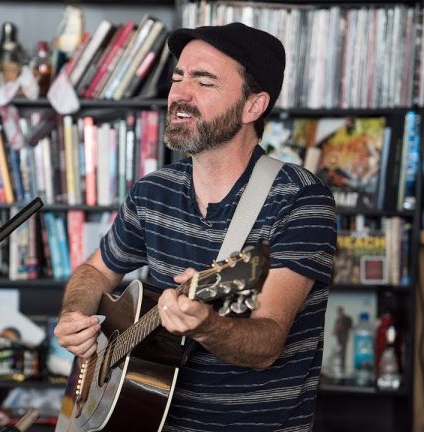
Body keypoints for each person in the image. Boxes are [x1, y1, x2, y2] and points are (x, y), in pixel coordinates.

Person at [54, 22, 337, 431]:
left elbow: (267, 345)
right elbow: (96, 270)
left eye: (203, 82)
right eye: (177, 78)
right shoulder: (153, 193)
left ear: (252, 106)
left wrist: (207, 324)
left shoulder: (300, 199)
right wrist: (74, 315)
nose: (180, 94)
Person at [333, 305, 354, 375]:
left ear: (342, 311)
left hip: (344, 337)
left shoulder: (347, 318)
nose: (339, 313)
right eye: (338, 312)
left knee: (343, 353)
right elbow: (335, 329)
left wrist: (341, 327)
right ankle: (339, 367)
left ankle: (343, 367)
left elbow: (350, 327)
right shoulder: (337, 320)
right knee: (338, 352)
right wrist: (335, 331)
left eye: (340, 312)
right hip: (338, 338)